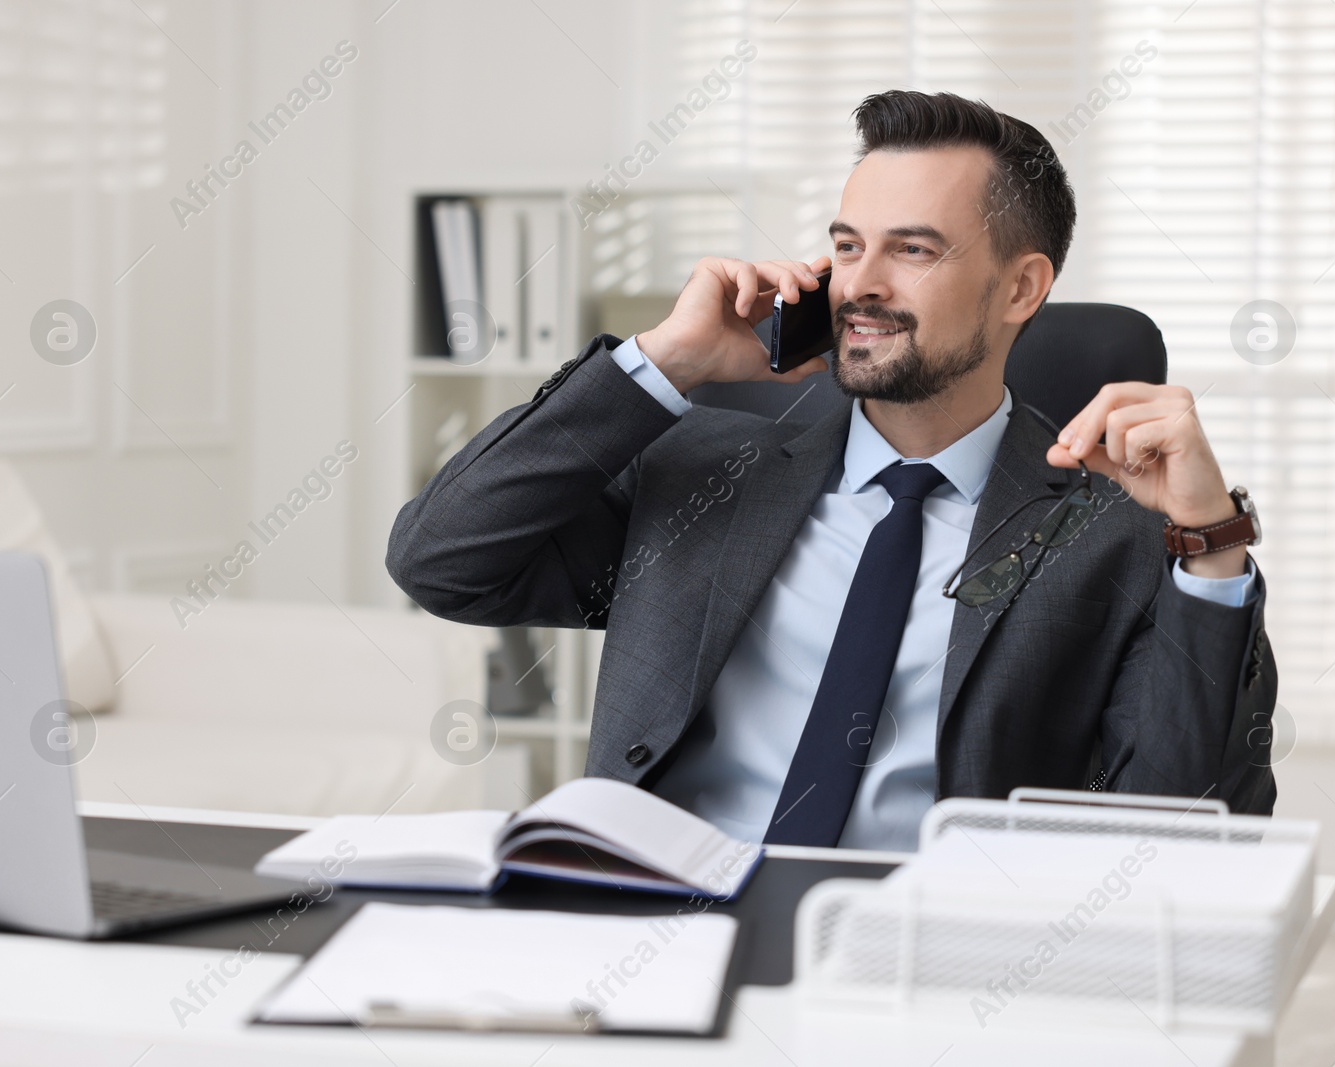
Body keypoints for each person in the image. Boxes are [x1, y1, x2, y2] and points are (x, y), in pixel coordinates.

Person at [388, 90, 1276, 852]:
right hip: (658, 927)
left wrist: (1212, 553)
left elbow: (1184, 827)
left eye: (914, 250)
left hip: (912, 958)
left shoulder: (1116, 531)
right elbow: (440, 560)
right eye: (848, 245)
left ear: (1021, 288)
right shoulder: (699, 471)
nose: (861, 285)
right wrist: (663, 362)